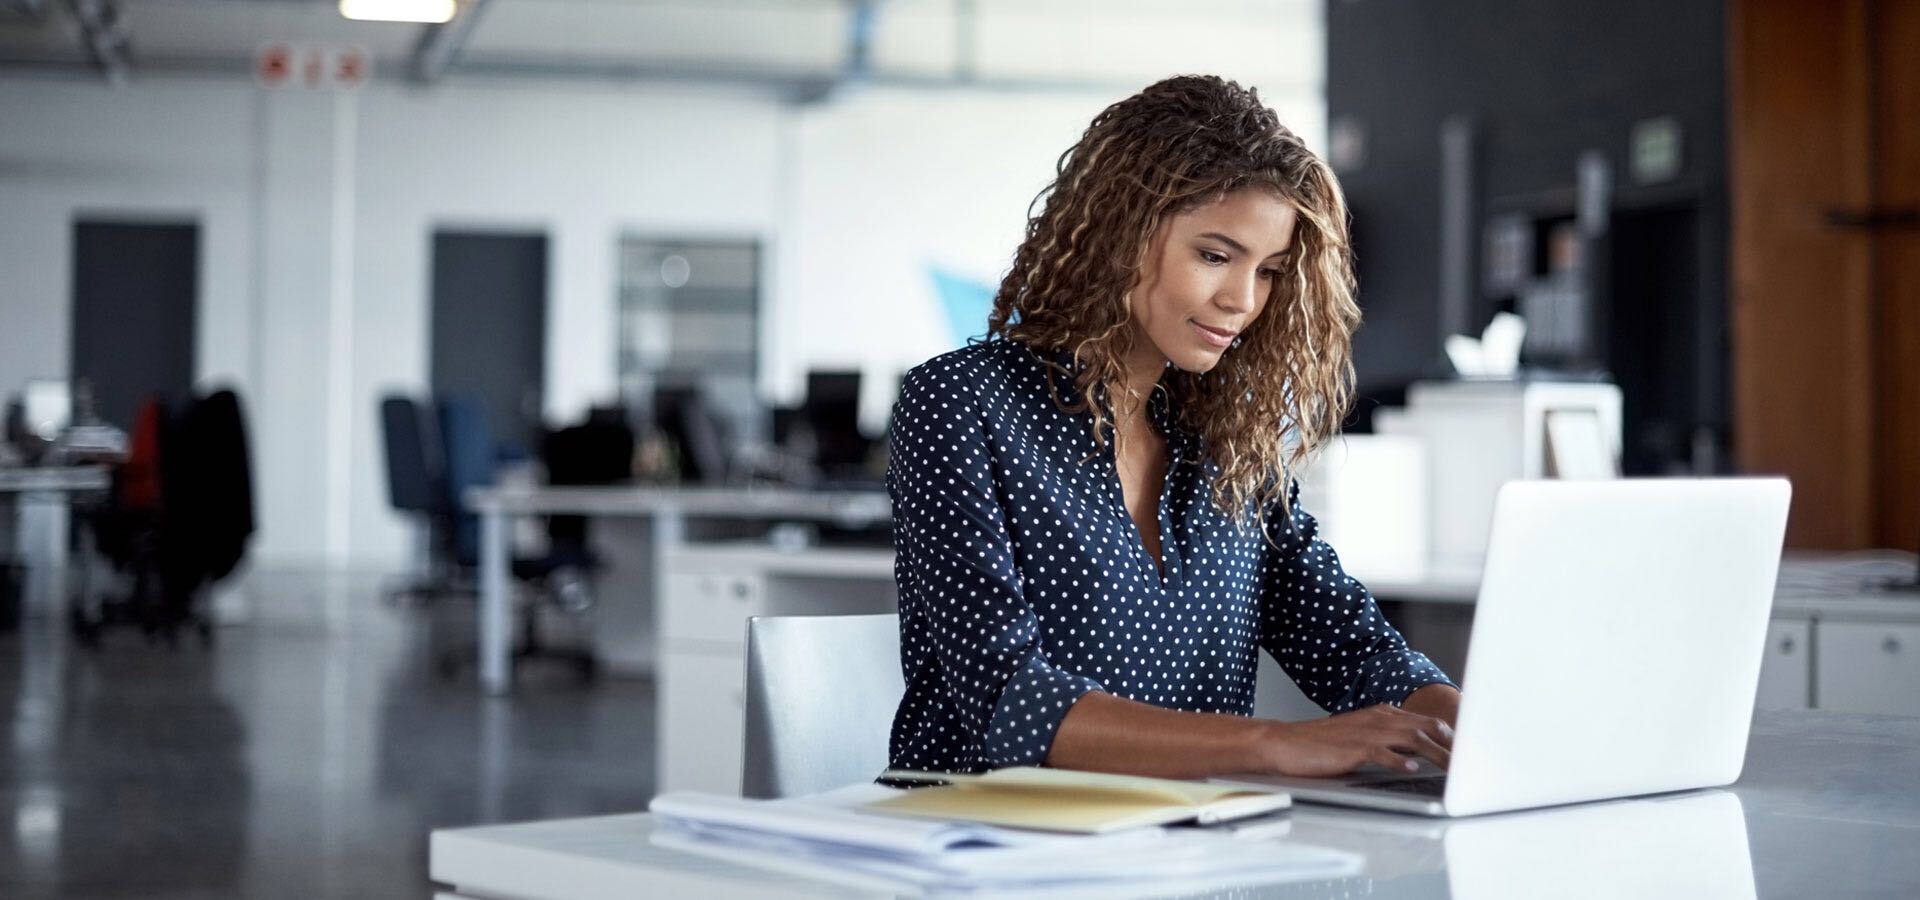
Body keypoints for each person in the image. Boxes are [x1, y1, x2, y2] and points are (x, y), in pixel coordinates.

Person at [885, 75, 1461, 780]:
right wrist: (1275, 743)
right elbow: (1011, 702)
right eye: (1214, 256)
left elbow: (1352, 648)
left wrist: (1473, 732)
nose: (1242, 301)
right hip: (988, 851)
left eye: (1271, 271)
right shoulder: (959, 403)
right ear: (1116, 234)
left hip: (1194, 854)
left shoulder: (1225, 440)